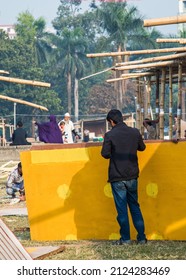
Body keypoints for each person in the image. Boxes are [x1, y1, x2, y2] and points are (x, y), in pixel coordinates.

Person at [101, 109, 147, 245]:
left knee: (122, 209)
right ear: (121, 118)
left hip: (117, 176)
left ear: (111, 121)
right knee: (135, 207)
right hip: (132, 175)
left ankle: (126, 239)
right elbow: (142, 148)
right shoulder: (134, 132)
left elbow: (105, 154)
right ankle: (142, 238)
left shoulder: (109, 135)